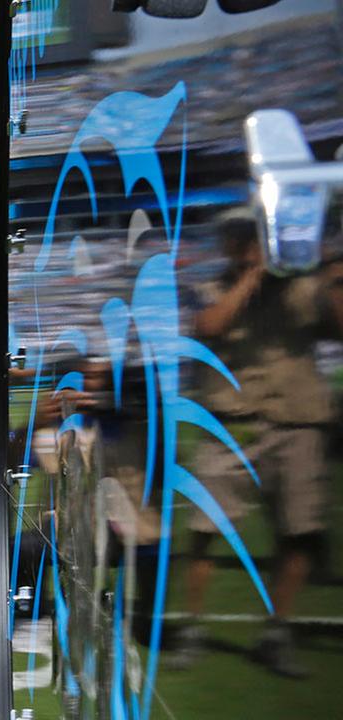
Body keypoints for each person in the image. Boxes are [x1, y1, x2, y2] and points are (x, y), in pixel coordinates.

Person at [175, 212, 342, 678]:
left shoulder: (305, 287)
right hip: (233, 423)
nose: (249, 243)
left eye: (255, 235)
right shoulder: (213, 287)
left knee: (299, 530)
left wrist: (333, 272)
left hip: (297, 421)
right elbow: (209, 326)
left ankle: (277, 631)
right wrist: (252, 274)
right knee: (205, 528)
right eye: (241, 237)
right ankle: (191, 628)